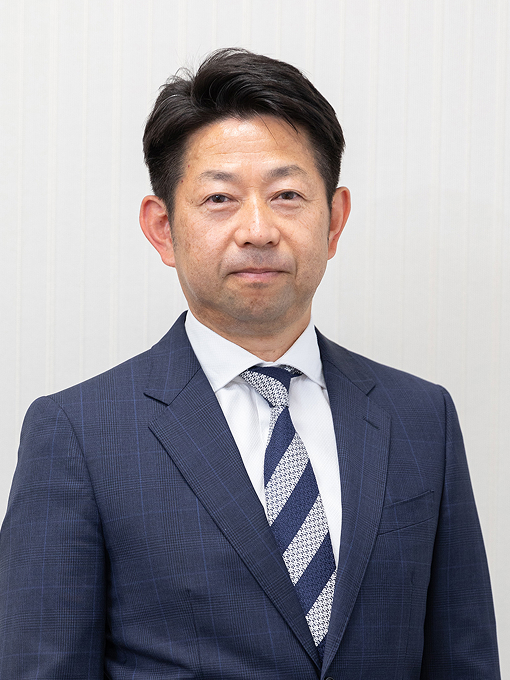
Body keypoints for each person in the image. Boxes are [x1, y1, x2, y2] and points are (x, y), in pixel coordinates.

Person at [0, 48, 500, 679]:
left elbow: (464, 660)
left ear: (334, 221)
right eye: (220, 199)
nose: (258, 230)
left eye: (287, 194)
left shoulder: (423, 418)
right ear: (162, 228)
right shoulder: (77, 433)